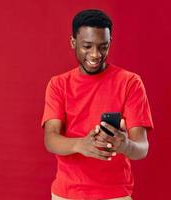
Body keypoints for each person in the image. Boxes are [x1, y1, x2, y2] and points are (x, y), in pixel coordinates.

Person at [41, 9, 153, 200]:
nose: (95, 54)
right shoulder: (58, 84)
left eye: (103, 47)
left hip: (115, 195)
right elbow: (50, 139)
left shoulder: (130, 82)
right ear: (73, 42)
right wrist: (81, 144)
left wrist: (125, 145)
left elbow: (142, 147)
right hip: (67, 194)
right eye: (87, 46)